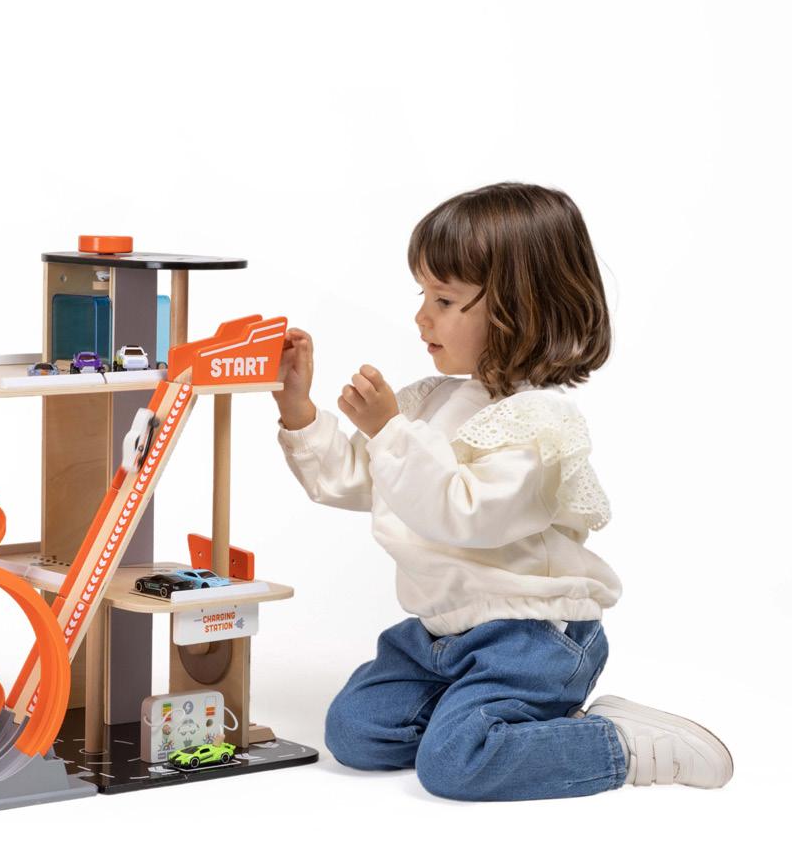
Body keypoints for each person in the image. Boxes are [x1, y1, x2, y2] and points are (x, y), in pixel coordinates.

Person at [274, 182, 732, 801]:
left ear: (519, 308)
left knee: (455, 765)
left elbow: (465, 514)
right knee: (356, 733)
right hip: (442, 637)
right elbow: (362, 480)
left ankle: (618, 743)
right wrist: (300, 410)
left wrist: (389, 431)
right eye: (422, 294)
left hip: (531, 634)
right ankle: (498, 722)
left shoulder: (538, 424)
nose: (421, 316)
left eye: (444, 299)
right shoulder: (432, 400)